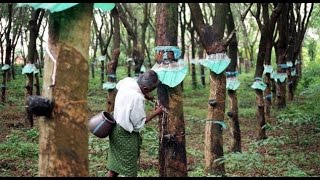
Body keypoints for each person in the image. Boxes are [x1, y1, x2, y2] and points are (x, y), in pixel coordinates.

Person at [107, 70, 164, 177]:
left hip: (114, 129)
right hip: (125, 136)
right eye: (151, 90)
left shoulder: (128, 81)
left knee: (114, 167)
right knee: (130, 171)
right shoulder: (137, 98)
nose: (150, 93)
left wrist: (146, 95)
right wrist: (156, 112)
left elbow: (119, 85)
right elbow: (139, 123)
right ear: (145, 89)